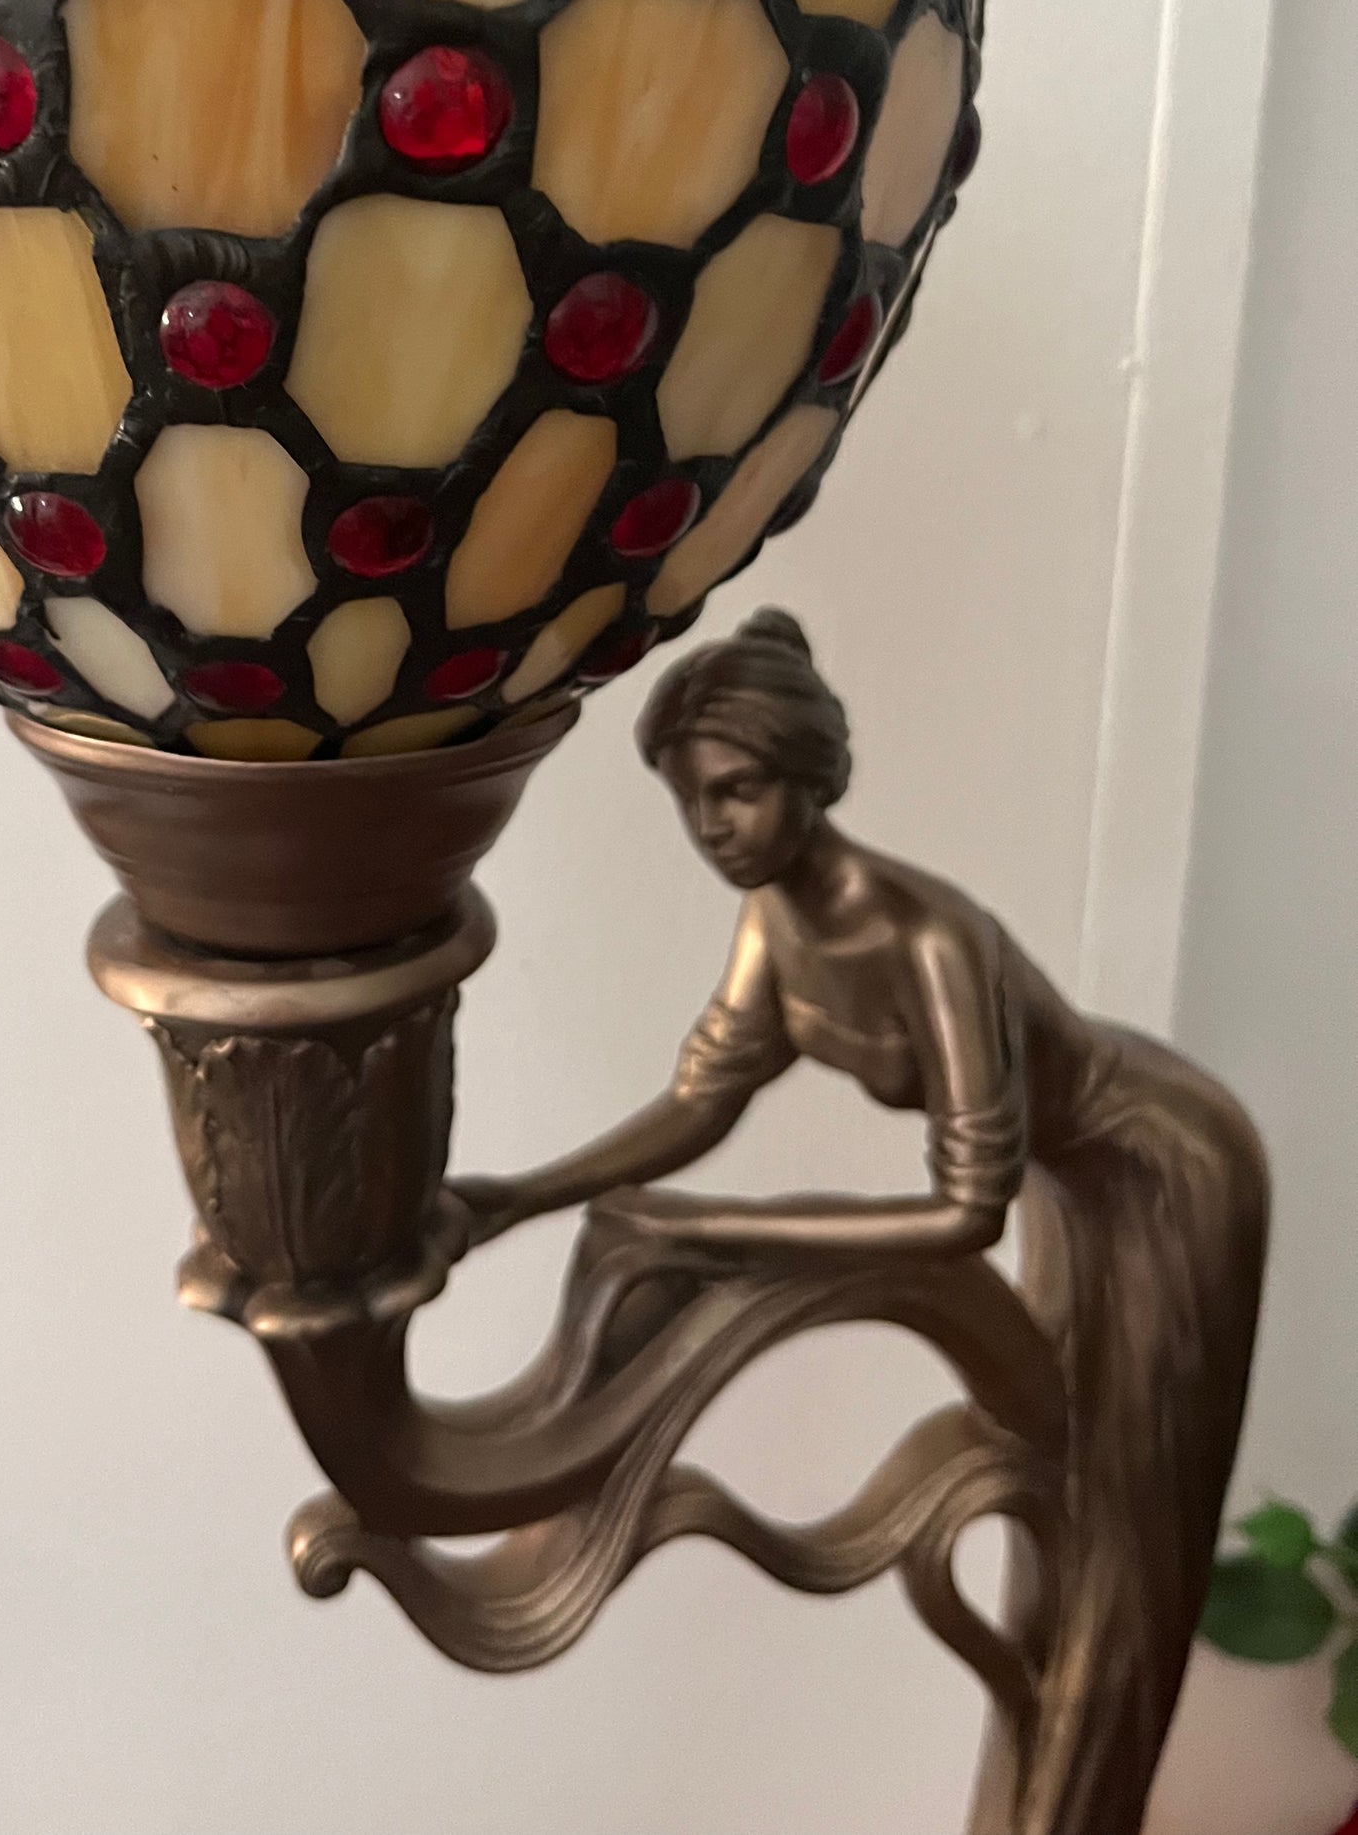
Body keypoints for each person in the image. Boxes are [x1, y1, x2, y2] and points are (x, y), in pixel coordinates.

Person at [452, 608, 1268, 1835]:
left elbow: (963, 1214)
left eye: (735, 791)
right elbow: (699, 1102)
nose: (709, 826)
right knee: (1061, 1522)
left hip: (1160, 1167)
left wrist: (724, 1229)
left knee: (1123, 1543)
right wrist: (520, 1198)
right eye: (689, 801)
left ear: (809, 777)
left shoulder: (928, 940)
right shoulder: (771, 927)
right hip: (1068, 1178)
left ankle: (1084, 1800)